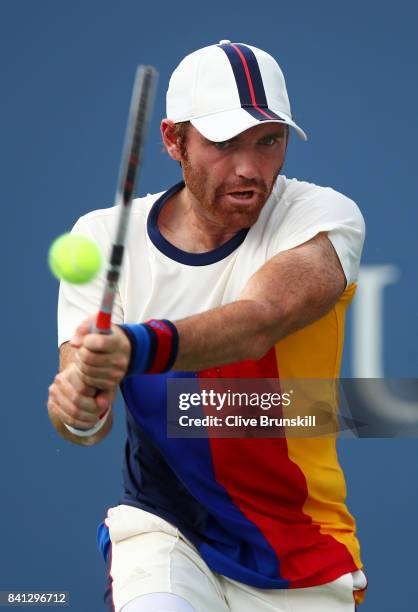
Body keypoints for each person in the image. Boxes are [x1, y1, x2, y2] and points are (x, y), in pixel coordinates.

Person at [47, 41, 368, 612]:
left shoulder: (323, 217)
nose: (250, 168)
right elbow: (84, 416)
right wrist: (78, 405)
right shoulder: (97, 235)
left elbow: (258, 323)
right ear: (174, 141)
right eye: (224, 144)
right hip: (165, 529)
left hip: (298, 551)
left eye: (269, 141)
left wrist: (132, 346)